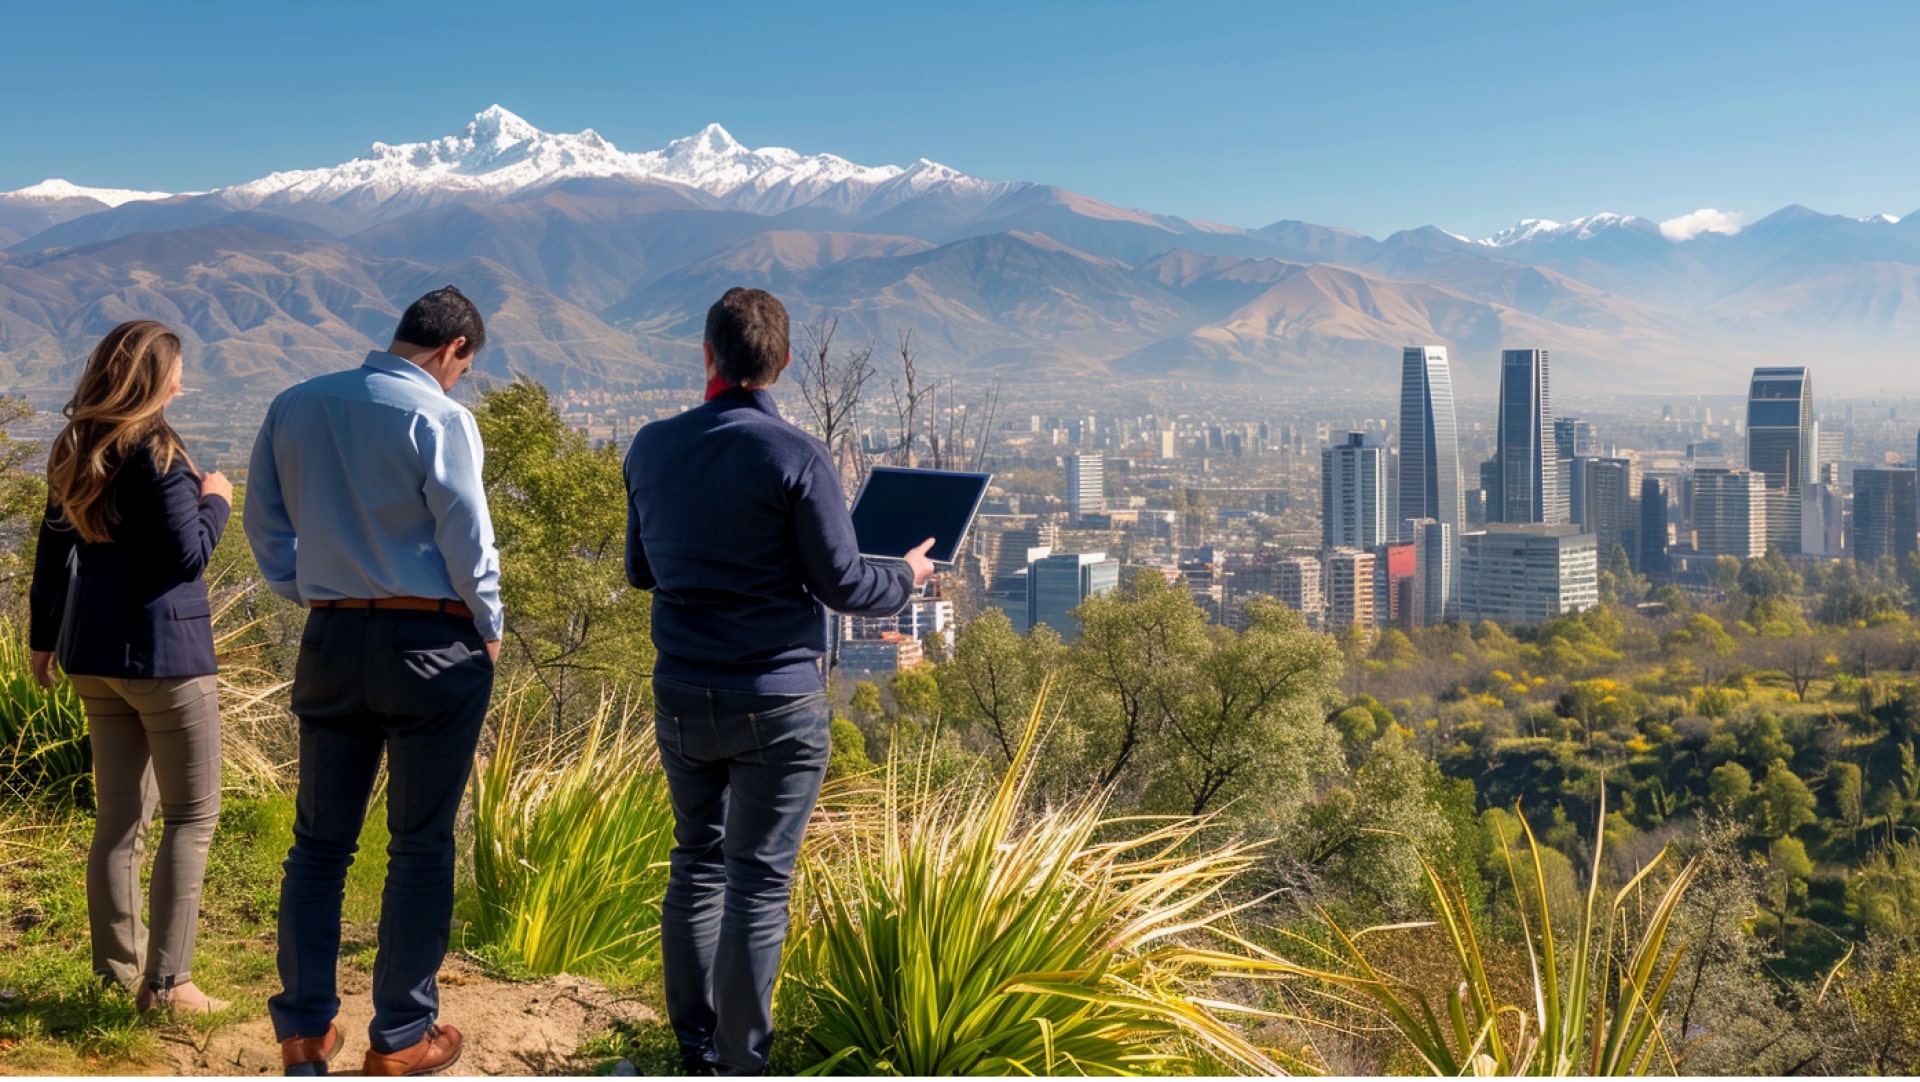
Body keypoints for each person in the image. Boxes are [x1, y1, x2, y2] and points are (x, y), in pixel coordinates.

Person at [624, 287, 936, 1075]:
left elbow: (639, 570)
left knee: (695, 861)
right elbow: (841, 584)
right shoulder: (796, 455)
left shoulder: (651, 447)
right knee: (758, 884)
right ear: (784, 363)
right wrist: (905, 575)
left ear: (706, 354)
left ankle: (693, 1050)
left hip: (683, 693)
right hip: (776, 700)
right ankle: (743, 1062)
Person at [243, 286, 502, 1077]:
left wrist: (312, 588)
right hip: (431, 640)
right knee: (420, 843)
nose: (460, 381)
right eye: (464, 367)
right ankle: (401, 1037)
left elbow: (264, 519)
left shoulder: (294, 404)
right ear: (453, 348)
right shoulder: (440, 418)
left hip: (330, 636)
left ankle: (304, 1030)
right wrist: (486, 623)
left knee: (319, 843)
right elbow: (466, 532)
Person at [27, 320, 232, 1015]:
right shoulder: (160, 452)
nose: (184, 378)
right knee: (191, 818)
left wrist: (42, 639)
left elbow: (52, 553)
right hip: (167, 659)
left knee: (118, 822)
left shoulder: (76, 447)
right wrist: (218, 499)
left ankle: (117, 971)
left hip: (92, 653)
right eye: (178, 368)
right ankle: (169, 985)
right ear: (158, 379)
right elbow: (186, 557)